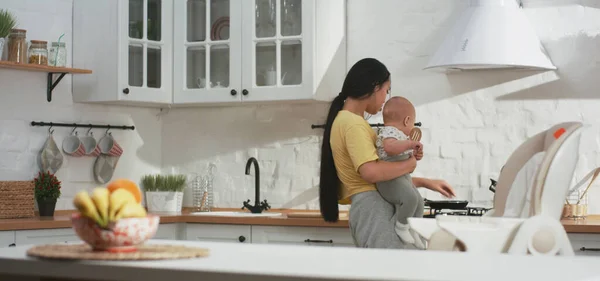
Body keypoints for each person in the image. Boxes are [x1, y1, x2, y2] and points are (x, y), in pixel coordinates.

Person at [319, 58, 456, 249]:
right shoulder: (352, 124)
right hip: (374, 210)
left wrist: (425, 182)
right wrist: (409, 164)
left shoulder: (349, 121)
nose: (386, 99)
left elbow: (382, 179)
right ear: (375, 87)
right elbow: (371, 173)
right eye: (386, 90)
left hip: (371, 208)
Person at [375, 96, 425, 249]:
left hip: (401, 176)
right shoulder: (389, 132)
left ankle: (413, 226)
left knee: (419, 201)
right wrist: (410, 144)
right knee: (410, 198)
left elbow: (402, 152)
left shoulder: (400, 136)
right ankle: (401, 226)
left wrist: (415, 154)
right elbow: (391, 148)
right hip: (389, 179)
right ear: (407, 120)